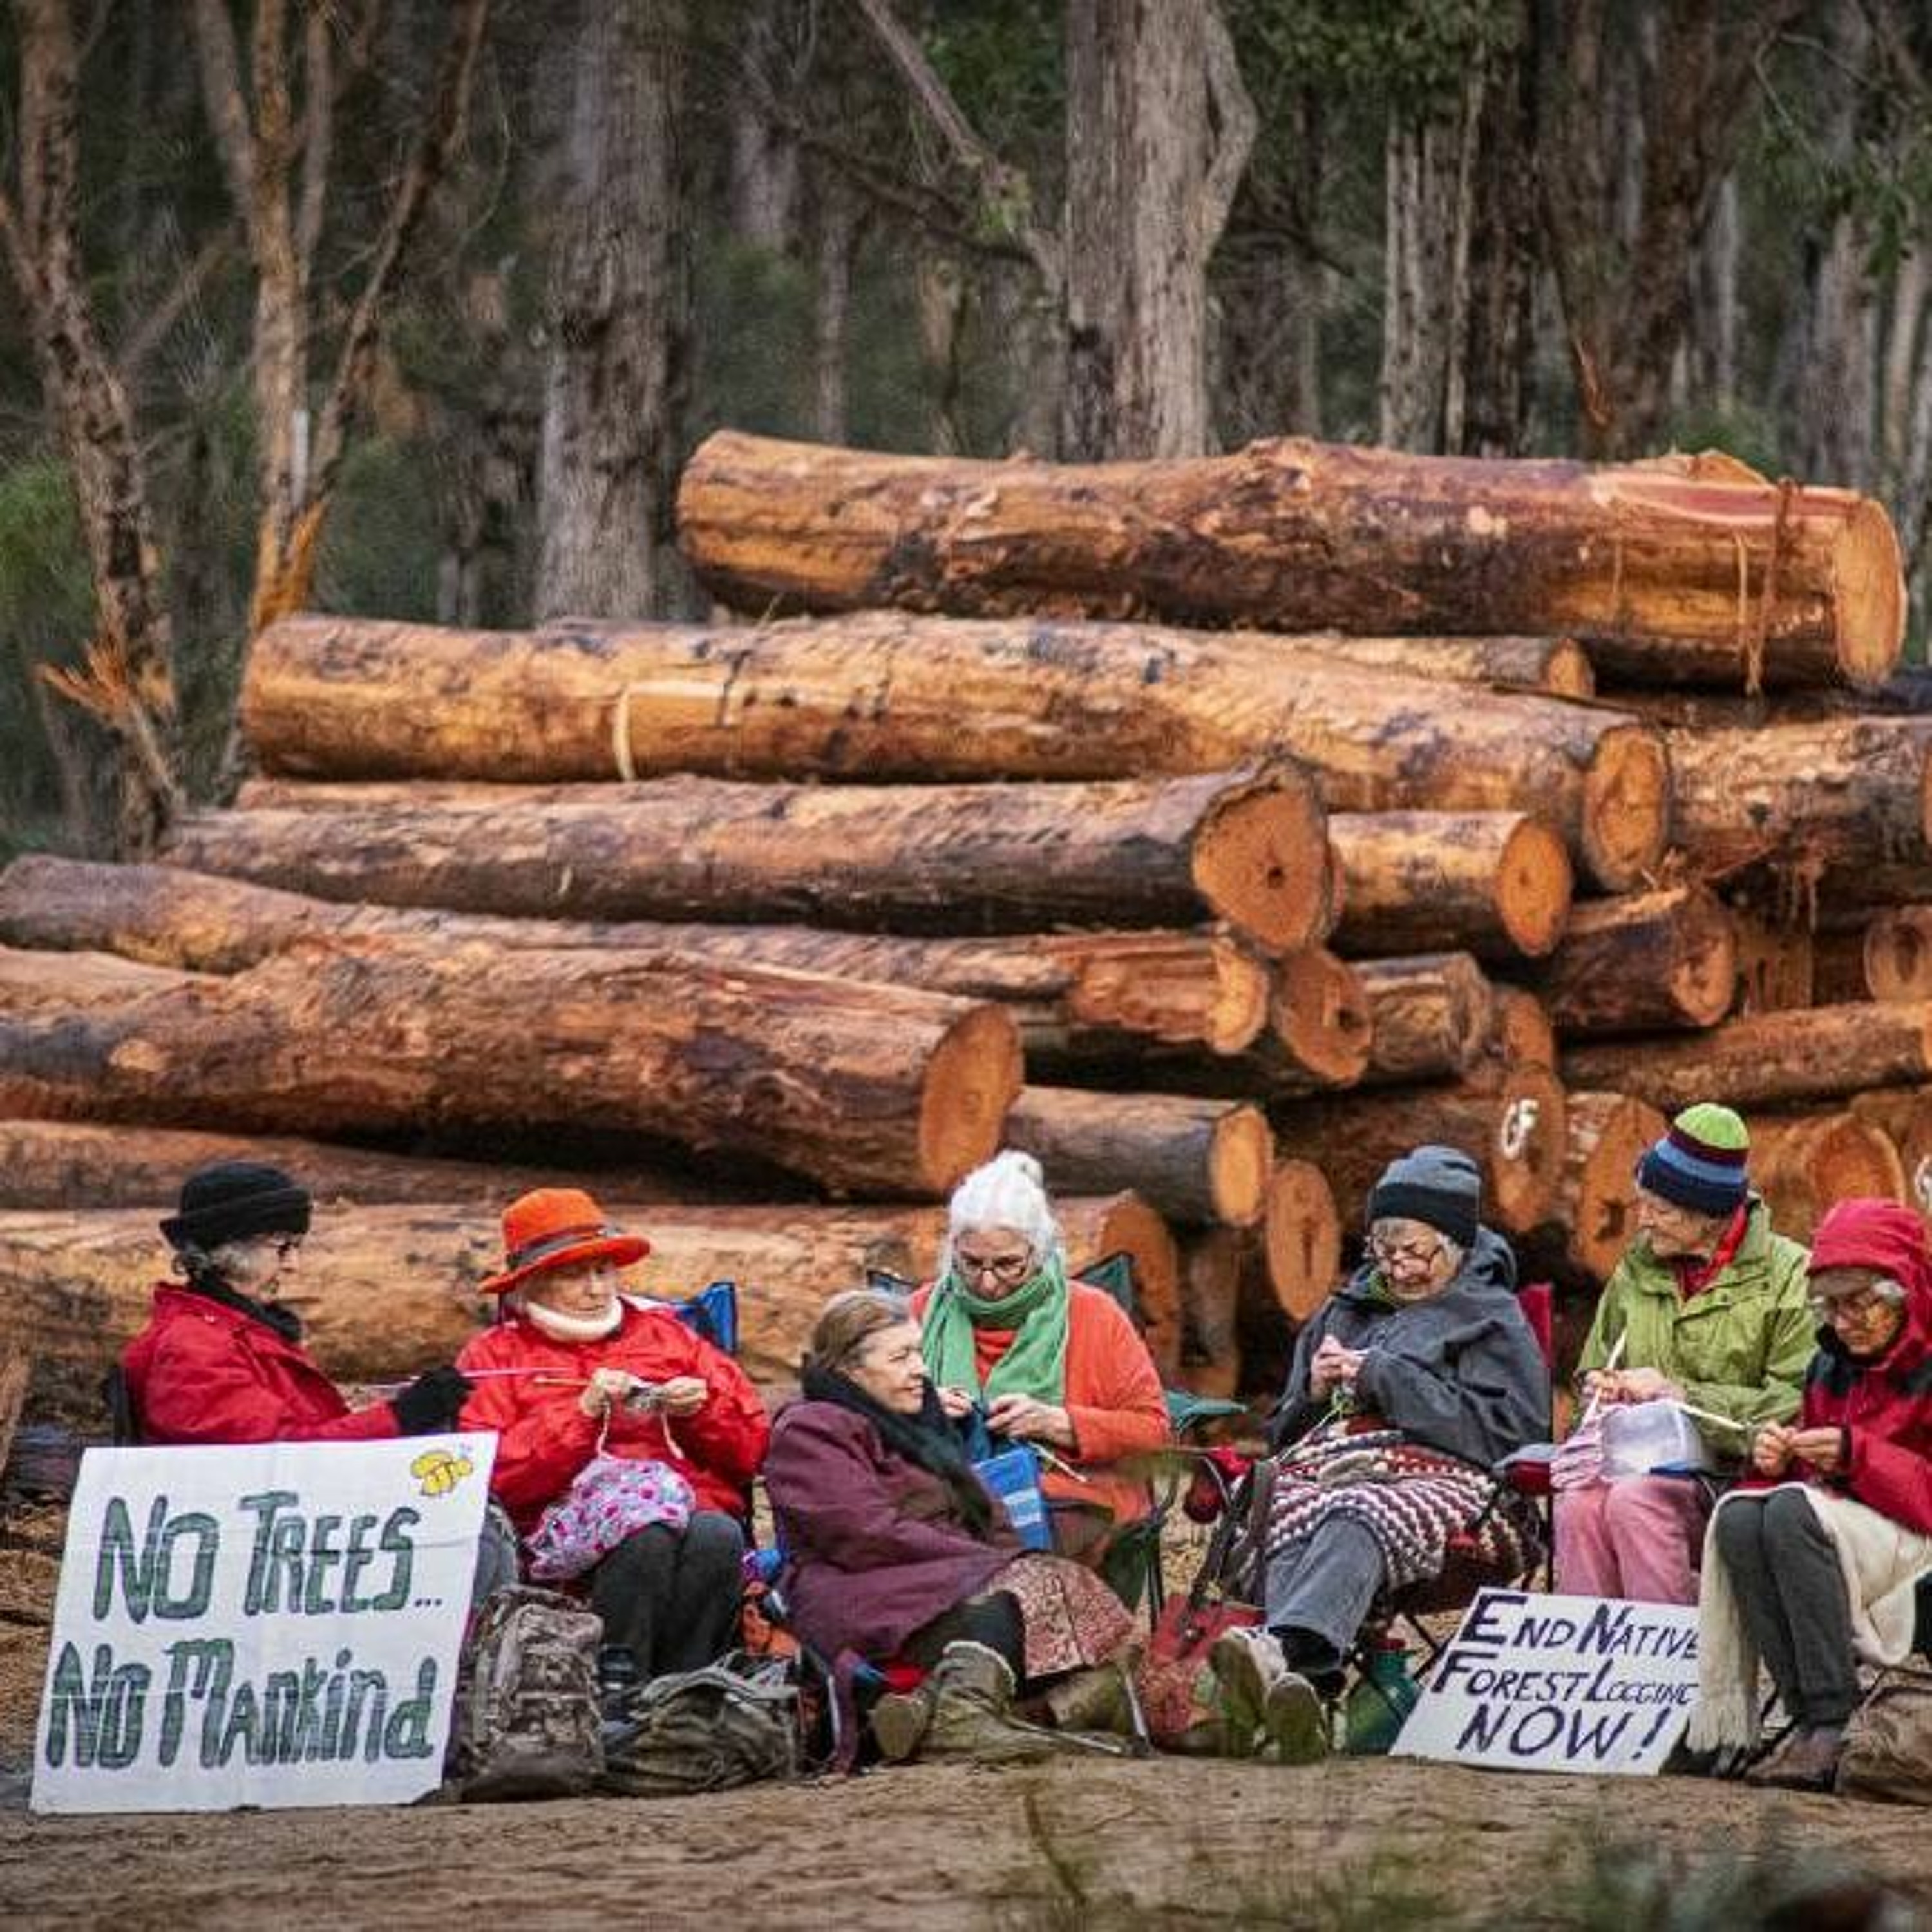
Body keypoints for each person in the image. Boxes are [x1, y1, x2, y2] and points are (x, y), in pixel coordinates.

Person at [1227, 1146, 1549, 1762]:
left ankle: (1287, 1654)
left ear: (1455, 1246)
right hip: (1327, 1469)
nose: (1398, 1269)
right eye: (1384, 1250)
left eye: (1415, 1252)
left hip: (1460, 1489)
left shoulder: (1490, 1318)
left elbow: (1511, 1433)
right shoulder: (1344, 1311)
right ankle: (1305, 1691)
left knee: (1357, 1511)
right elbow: (1283, 1438)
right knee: (1282, 1508)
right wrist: (1311, 1396)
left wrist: (1385, 1377)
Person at [764, 1289, 1145, 1761]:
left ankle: (958, 1714)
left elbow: (991, 1517)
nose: (920, 1369)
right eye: (901, 1357)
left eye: (919, 1353)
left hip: (938, 1582)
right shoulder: (811, 1430)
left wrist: (1004, 1561)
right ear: (849, 1369)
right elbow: (865, 1534)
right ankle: (965, 1715)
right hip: (863, 1593)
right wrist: (985, 1566)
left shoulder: (921, 1424)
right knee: (1026, 1592)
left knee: (1085, 1611)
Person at [458, 1188, 770, 1683]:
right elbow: (490, 1477)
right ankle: (617, 1687)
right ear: (530, 1283)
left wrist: (701, 1411)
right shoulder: (494, 1357)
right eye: (573, 1274)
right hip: (553, 1530)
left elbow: (753, 1450)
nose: (596, 1289)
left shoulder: (669, 1336)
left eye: (603, 1271)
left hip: (688, 1509)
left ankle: (687, 1690)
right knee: (644, 1535)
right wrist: (580, 1415)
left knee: (717, 1535)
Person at [1690, 1198, 1932, 1790]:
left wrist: (1856, 1455)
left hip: (1916, 1544)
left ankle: (1830, 1717)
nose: (1844, 1321)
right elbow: (1809, 1491)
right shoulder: (1829, 1365)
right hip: (1851, 1532)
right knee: (1743, 1518)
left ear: (1902, 1291)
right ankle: (1804, 1717)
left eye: (1860, 1303)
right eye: (1831, 1305)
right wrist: (1776, 1461)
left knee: (1792, 1512)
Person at [1555, 1104, 1813, 1605]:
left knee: (1636, 1503)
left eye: (1661, 1209)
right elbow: (1595, 1364)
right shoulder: (1638, 1268)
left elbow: (1793, 1404)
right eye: (1642, 1203)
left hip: (1738, 1479)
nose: (1644, 1221)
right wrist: (1599, 1392)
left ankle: (1666, 1675)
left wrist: (1680, 1395)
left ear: (1713, 1216)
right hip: (1633, 1460)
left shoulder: (1788, 1276)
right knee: (1577, 1506)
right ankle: (1587, 1673)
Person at [912, 1150, 1171, 1568]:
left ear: (1040, 1251)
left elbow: (1154, 1432)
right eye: (971, 1263)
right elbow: (859, 1420)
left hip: (1066, 1493)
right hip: (942, 1491)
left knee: (1001, 1527)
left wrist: (1061, 1424)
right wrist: (918, 1410)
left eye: (1008, 1265)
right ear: (952, 1249)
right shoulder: (921, 1312)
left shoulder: (1094, 1314)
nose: (988, 1282)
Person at [122, 1160, 472, 1445]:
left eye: (297, 1247)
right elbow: (279, 1460)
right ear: (226, 1250)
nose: (293, 1265)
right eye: (282, 1247)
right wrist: (403, 1417)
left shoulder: (240, 1333)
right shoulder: (195, 1347)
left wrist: (388, 1407)